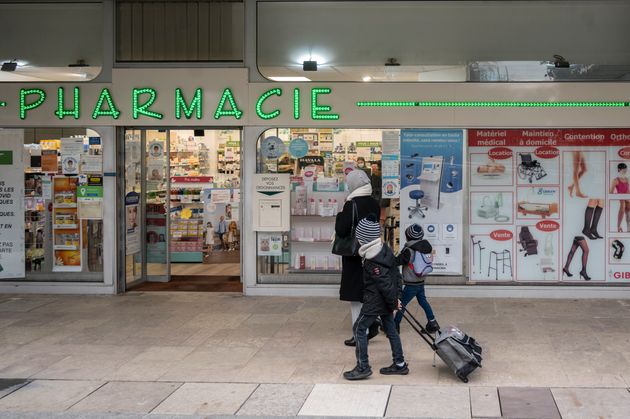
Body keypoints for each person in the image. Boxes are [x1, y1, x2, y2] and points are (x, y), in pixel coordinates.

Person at [343, 214, 407, 380]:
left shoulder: (372, 260)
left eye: (358, 235)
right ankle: (399, 364)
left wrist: (394, 302)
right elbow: (396, 275)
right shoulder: (384, 249)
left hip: (375, 301)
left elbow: (385, 284)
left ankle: (363, 366)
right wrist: (397, 297)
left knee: (359, 328)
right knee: (391, 329)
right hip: (385, 300)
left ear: (363, 238)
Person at [335, 169, 381, 346]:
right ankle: (371, 323)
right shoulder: (373, 203)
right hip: (372, 252)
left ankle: (360, 332)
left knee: (355, 296)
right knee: (368, 291)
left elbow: (341, 229)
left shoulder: (351, 204)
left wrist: (340, 215)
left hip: (354, 255)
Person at [394, 224, 440, 334]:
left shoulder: (409, 250)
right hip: (421, 281)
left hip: (411, 283)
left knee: (401, 304)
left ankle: (394, 326)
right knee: (423, 302)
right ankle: (433, 323)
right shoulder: (424, 247)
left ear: (408, 236)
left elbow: (397, 261)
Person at [610, 163, 630, 232]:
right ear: (619, 169)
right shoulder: (615, 180)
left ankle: (628, 228)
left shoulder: (627, 179)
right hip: (621, 197)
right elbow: (611, 193)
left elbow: (628, 191)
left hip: (627, 197)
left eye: (626, 169)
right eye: (623, 170)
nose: (625, 171)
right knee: (623, 206)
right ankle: (618, 226)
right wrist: (620, 195)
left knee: (628, 207)